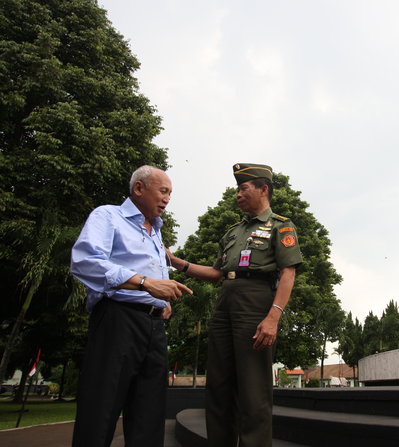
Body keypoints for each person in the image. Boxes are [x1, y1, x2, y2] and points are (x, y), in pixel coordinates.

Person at [168, 163, 302, 447]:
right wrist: (179, 263)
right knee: (218, 387)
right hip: (225, 302)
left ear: (263, 189)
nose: (237, 194)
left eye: (243, 188)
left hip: (256, 302)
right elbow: (217, 273)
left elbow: (288, 273)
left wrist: (273, 317)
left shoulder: (280, 225)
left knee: (253, 390)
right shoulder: (233, 232)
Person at [70, 165, 192, 447]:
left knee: (149, 413)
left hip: (154, 326)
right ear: (139, 188)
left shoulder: (156, 232)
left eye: (170, 194)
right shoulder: (108, 216)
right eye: (163, 191)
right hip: (116, 320)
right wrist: (147, 284)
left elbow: (151, 276)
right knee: (101, 407)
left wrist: (159, 299)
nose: (167, 199)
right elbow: (84, 261)